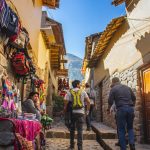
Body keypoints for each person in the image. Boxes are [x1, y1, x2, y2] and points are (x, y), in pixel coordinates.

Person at [108, 77, 136, 150]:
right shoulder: (127, 87)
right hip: (130, 109)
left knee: (121, 129)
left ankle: (123, 148)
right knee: (130, 128)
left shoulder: (113, 89)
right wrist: (132, 106)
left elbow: (110, 101)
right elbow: (134, 98)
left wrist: (108, 109)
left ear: (113, 82)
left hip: (121, 109)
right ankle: (132, 144)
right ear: (119, 81)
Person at [64, 80, 90, 150]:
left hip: (72, 113)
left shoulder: (69, 92)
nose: (80, 85)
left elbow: (65, 104)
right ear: (78, 84)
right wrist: (87, 111)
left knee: (72, 130)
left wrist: (65, 112)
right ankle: (80, 147)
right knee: (80, 131)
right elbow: (88, 101)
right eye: (80, 84)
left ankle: (72, 145)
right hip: (81, 113)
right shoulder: (83, 91)